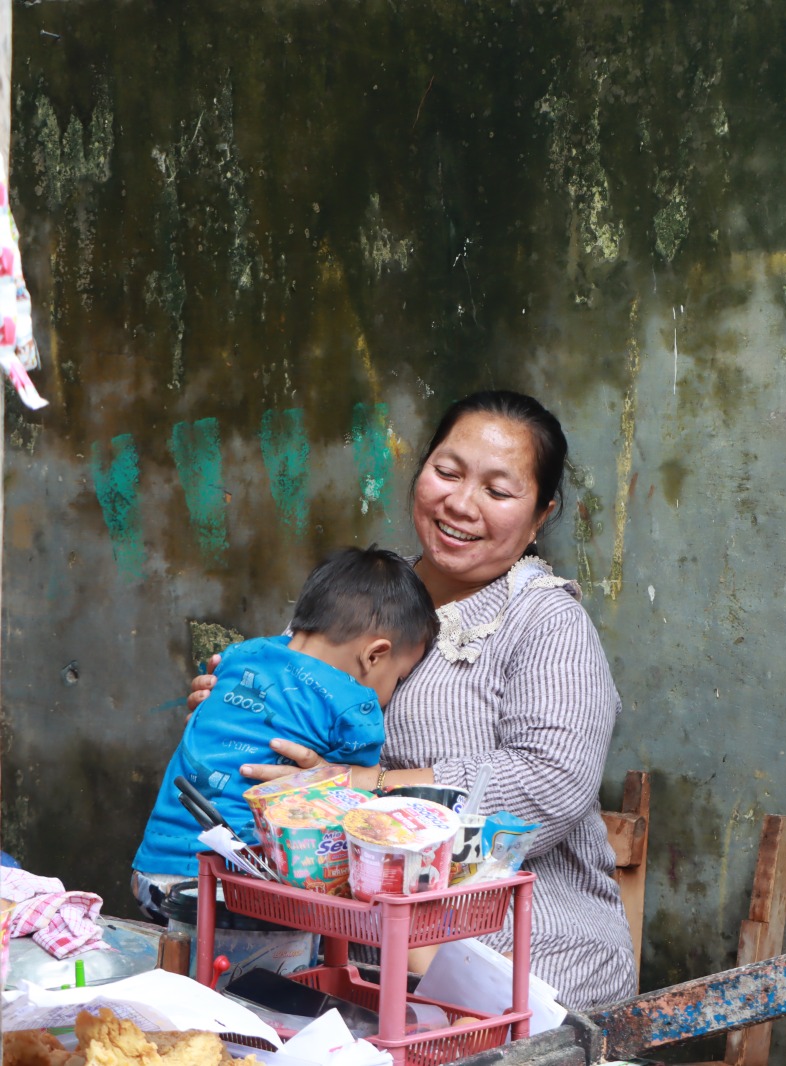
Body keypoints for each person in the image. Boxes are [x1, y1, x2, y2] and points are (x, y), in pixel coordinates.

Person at [189, 390, 635, 1010]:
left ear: (539, 516)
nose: (460, 503)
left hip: (518, 953)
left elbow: (550, 782)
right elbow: (294, 708)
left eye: (498, 492)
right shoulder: (367, 589)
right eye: (447, 473)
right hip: (345, 955)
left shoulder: (544, 622)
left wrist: (361, 786)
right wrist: (239, 707)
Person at [132, 546, 436, 919]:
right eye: (400, 677)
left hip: (154, 868)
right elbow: (353, 805)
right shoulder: (355, 709)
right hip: (237, 884)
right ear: (374, 655)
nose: (396, 689)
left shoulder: (239, 656)